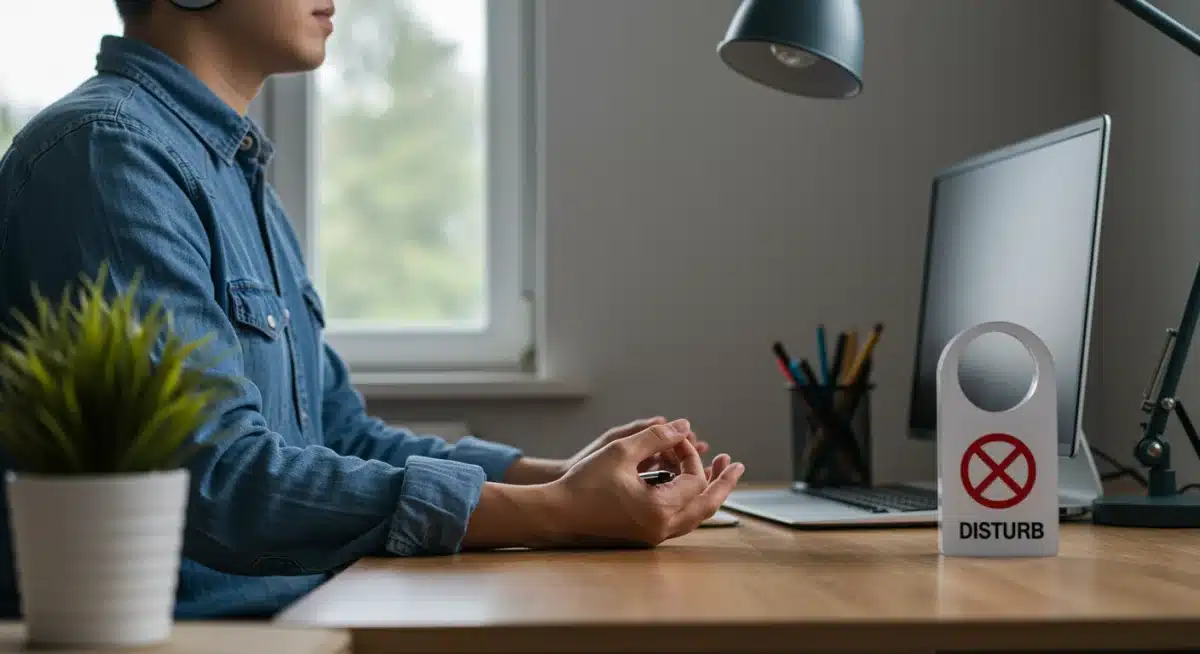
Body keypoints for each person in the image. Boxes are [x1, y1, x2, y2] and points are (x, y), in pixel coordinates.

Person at [0, 0, 745, 620]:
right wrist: (559, 510)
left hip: (297, 616)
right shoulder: (107, 156)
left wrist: (562, 475)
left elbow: (341, 434)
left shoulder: (229, 171)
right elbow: (223, 480)